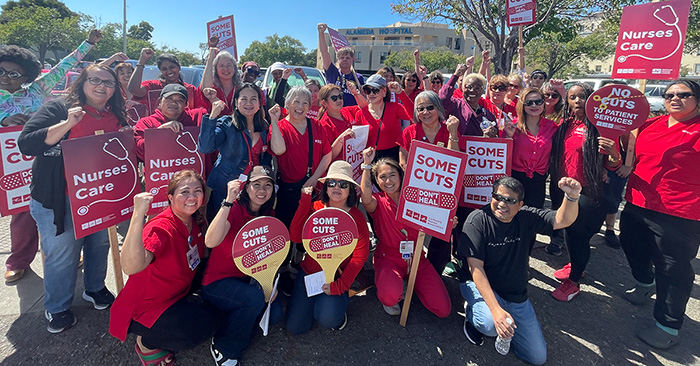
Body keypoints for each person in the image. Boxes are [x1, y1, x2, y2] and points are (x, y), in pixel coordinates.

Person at [19, 64, 127, 333]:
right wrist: (67, 124)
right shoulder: (58, 108)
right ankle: (56, 306)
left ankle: (94, 288)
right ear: (83, 82)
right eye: (95, 80)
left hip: (100, 195)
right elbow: (27, 143)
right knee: (63, 253)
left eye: (108, 83)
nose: (102, 86)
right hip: (60, 198)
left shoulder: (115, 113)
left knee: (99, 243)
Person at [1, 29, 102, 284]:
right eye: (1, 71)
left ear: (26, 75)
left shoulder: (38, 90)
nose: (6, 78)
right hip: (13, 164)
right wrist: (3, 120)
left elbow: (65, 65)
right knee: (22, 213)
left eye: (13, 73)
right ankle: (18, 261)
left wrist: (88, 44)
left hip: (49, 159)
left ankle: (65, 253)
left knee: (59, 207)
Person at [456, 176, 581, 365]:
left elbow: (561, 220)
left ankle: (506, 322)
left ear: (520, 204)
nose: (501, 204)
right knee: (489, 325)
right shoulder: (478, 220)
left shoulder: (526, 217)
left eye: (509, 200)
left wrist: (572, 197)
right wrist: (496, 310)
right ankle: (473, 312)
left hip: (515, 294)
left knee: (537, 358)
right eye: (497, 197)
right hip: (479, 285)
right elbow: (476, 269)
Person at [619, 80, 700, 350]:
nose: (674, 98)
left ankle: (668, 324)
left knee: (672, 267)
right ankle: (644, 282)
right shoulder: (652, 124)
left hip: (678, 211)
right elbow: (631, 153)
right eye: (669, 95)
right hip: (637, 200)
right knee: (631, 245)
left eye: (683, 94)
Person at [109, 170, 218, 366]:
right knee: (202, 328)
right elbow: (131, 266)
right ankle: (147, 342)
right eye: (184, 192)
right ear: (171, 197)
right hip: (147, 306)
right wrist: (138, 214)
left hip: (175, 290)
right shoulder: (160, 227)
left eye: (197, 191)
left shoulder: (192, 220)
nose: (192, 197)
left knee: (213, 275)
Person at [548, 82, 622, 302]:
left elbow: (613, 165)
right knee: (568, 233)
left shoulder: (601, 128)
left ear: (592, 100)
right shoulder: (564, 124)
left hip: (588, 192)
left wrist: (614, 155)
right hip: (563, 189)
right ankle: (576, 265)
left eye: (583, 97)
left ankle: (573, 283)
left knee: (577, 236)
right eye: (572, 97)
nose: (577, 101)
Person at [360, 148, 452, 317]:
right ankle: (390, 284)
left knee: (443, 309)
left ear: (400, 176)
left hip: (417, 258)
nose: (388, 180)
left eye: (392, 175)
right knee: (390, 297)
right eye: (383, 177)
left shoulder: (416, 197)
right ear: (377, 181)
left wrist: (448, 223)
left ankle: (409, 284)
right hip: (389, 259)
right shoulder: (378, 201)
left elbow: (436, 217)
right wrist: (366, 165)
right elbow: (365, 197)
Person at [202, 166, 280, 365]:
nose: (262, 190)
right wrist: (227, 201)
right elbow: (210, 241)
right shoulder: (234, 208)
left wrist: (271, 283)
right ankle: (223, 346)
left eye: (267, 185)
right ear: (246, 188)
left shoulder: (268, 213)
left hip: (247, 279)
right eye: (256, 185)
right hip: (217, 282)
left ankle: (233, 316)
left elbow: (269, 254)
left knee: (275, 312)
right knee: (253, 299)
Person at [286, 161, 370, 333]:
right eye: (331, 183)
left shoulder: (356, 217)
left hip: (337, 277)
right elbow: (295, 236)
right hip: (310, 274)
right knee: (295, 328)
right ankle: (315, 306)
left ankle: (336, 313)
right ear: (325, 187)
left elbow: (359, 257)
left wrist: (340, 286)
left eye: (343, 184)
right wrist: (304, 202)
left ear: (350, 190)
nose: (336, 187)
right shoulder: (315, 207)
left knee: (327, 317)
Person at [198, 83, 284, 221]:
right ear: (236, 103)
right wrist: (213, 116)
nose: (248, 103)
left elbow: (267, 157)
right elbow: (205, 148)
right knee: (223, 229)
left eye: (253, 99)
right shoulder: (227, 123)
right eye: (244, 99)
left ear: (259, 103)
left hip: (252, 190)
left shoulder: (263, 126)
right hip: (225, 187)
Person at [397, 91, 461, 274]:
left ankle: (434, 274)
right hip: (418, 193)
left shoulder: (447, 129)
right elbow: (403, 161)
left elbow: (454, 158)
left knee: (440, 237)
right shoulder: (410, 131)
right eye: (420, 109)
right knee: (415, 234)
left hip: (444, 194)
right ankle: (413, 271)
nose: (425, 112)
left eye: (430, 107)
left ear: (438, 109)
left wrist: (453, 133)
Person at [272, 86, 332, 227]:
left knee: (308, 229)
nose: (300, 107)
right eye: (296, 101)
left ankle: (300, 250)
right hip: (288, 189)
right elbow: (279, 150)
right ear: (287, 104)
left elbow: (327, 154)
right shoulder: (280, 126)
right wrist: (274, 121)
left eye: (305, 103)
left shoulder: (316, 126)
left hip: (313, 189)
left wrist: (314, 178)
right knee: (286, 228)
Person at [502, 88, 558, 209]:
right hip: (515, 178)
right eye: (529, 102)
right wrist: (508, 136)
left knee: (533, 216)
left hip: (539, 180)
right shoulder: (512, 125)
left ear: (543, 103)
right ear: (522, 105)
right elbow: (502, 154)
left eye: (538, 102)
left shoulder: (552, 127)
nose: (534, 105)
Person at [133, 84, 206, 162]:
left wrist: (213, 100)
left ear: (185, 104)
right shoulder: (146, 123)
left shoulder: (197, 117)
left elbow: (216, 115)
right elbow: (138, 153)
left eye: (179, 100)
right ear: (159, 102)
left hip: (191, 170)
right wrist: (159, 132)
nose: (174, 103)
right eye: (169, 99)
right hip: (161, 172)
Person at [354, 75, 412, 162]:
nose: (371, 94)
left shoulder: (395, 108)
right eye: (368, 91)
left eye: (375, 90)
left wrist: (400, 93)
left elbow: (414, 115)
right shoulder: (360, 114)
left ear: (384, 91)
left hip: (393, 157)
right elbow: (358, 142)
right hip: (372, 158)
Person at [128, 49, 200, 116]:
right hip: (157, 128)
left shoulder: (190, 89)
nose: (169, 71)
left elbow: (198, 112)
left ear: (179, 67)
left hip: (183, 128)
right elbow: (134, 89)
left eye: (172, 67)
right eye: (164, 69)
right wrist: (142, 60)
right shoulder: (152, 87)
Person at [439, 62, 497, 138]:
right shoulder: (455, 105)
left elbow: (496, 140)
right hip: (456, 147)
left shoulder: (488, 114)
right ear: (463, 88)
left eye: (477, 88)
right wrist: (455, 76)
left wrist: (493, 134)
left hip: (477, 149)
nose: (472, 90)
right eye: (468, 87)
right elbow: (442, 99)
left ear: (482, 90)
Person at [317, 23, 364, 106]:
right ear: (338, 60)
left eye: (348, 58)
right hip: (332, 112)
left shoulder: (358, 78)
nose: (345, 60)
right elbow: (324, 52)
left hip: (351, 114)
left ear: (352, 60)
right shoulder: (332, 71)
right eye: (342, 58)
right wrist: (321, 33)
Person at [200, 48, 241, 115]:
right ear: (216, 69)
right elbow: (205, 89)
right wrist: (210, 58)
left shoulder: (240, 88)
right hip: (215, 124)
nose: (225, 69)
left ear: (234, 68)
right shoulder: (213, 89)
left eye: (229, 65)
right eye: (221, 66)